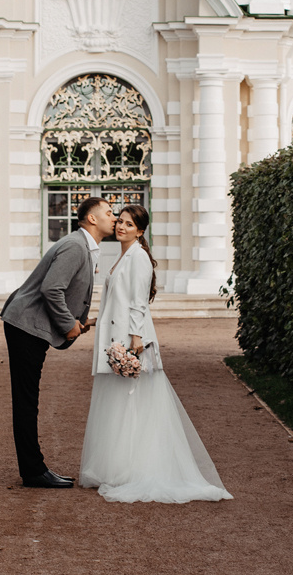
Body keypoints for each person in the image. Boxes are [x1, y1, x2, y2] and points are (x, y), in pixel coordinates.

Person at [79, 204, 232, 504]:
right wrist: (97, 320)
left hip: (130, 339)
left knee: (133, 404)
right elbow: (117, 298)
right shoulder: (123, 255)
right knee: (118, 405)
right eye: (119, 222)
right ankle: (117, 466)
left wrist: (135, 340)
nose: (121, 227)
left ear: (140, 231)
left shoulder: (139, 258)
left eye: (128, 224)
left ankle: (135, 468)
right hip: (115, 336)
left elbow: (138, 302)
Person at [1, 195, 117, 487]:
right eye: (109, 212)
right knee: (27, 400)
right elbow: (52, 288)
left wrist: (77, 322)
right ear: (92, 218)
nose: (114, 218)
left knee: (27, 399)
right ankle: (33, 471)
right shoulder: (76, 247)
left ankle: (33, 469)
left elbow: (62, 291)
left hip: (29, 325)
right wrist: (68, 326)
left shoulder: (84, 247)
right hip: (26, 325)